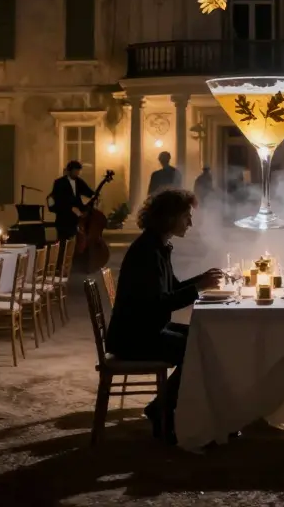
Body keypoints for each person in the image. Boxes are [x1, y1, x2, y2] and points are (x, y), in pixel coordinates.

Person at [106, 188, 224, 443]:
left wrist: (201, 281)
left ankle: (174, 409)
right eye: (186, 217)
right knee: (198, 349)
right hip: (134, 338)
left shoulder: (157, 244)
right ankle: (163, 410)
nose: (190, 222)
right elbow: (158, 303)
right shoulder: (147, 252)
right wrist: (199, 288)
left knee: (204, 338)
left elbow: (172, 287)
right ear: (170, 218)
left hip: (145, 328)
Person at [49, 160, 94, 241]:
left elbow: (89, 192)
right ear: (69, 170)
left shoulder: (79, 181)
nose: (77, 173)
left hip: (76, 219)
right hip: (63, 218)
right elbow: (59, 200)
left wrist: (95, 196)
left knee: (76, 241)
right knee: (63, 242)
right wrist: (71, 208)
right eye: (75, 171)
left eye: (78, 171)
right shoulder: (59, 182)